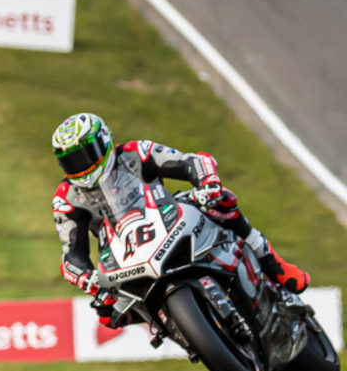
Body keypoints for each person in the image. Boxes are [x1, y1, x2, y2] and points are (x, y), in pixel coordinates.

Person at [50, 112, 309, 327]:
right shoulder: (66, 198)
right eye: (71, 162)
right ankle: (170, 325)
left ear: (104, 140)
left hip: (167, 214)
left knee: (222, 201)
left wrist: (208, 183)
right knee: (107, 315)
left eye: (85, 155)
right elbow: (72, 255)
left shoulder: (136, 152)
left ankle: (275, 266)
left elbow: (191, 162)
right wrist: (88, 279)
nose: (81, 168)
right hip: (123, 253)